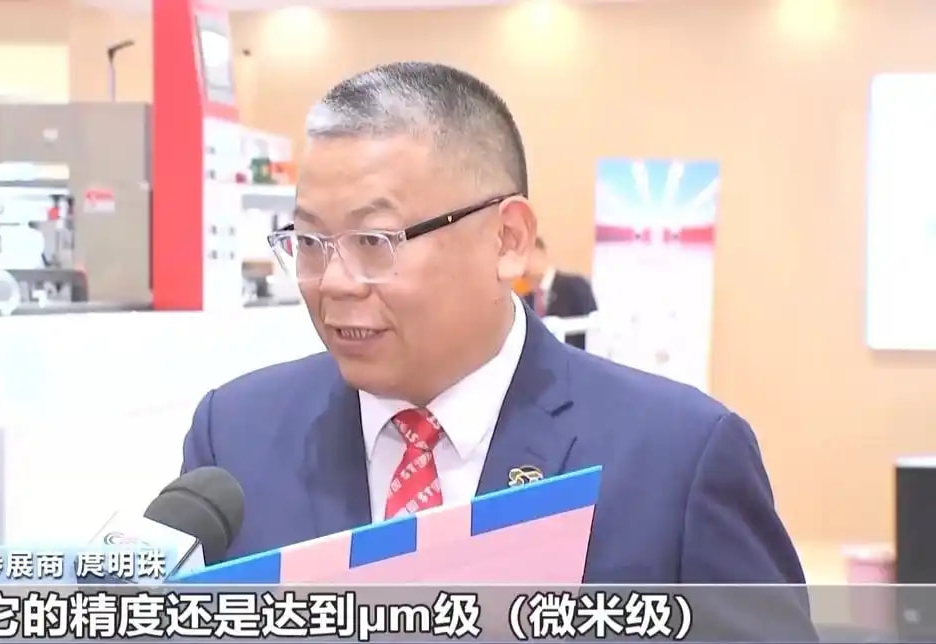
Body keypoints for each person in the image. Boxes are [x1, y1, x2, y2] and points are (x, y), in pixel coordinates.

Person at [181, 62, 813, 638]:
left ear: (508, 240)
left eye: (374, 241)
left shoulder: (677, 457)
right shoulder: (235, 436)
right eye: (310, 242)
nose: (334, 283)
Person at [523, 237, 597, 349]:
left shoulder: (575, 286)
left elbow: (593, 326)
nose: (525, 264)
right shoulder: (527, 300)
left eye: (528, 256)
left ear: (542, 254)